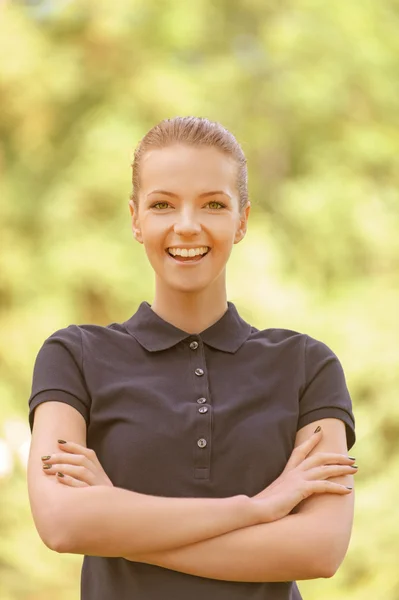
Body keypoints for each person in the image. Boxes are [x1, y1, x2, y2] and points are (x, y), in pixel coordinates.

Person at [27, 116, 357, 600]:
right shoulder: (73, 356)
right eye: (162, 204)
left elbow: (319, 550)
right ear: (136, 219)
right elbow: (60, 522)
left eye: (213, 205)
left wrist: (116, 518)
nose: (186, 225)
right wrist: (260, 508)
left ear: (241, 220)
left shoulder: (307, 365)